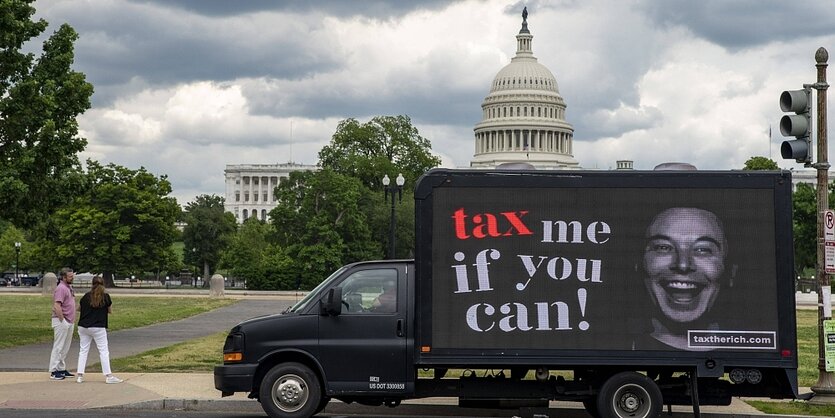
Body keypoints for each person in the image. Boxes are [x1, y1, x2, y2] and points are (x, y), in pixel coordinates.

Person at [638, 207, 727, 350]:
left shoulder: (755, 351)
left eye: (702, 249)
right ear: (639, 264)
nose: (683, 265)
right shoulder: (615, 345)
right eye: (663, 247)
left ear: (730, 271)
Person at [75, 275, 123, 384]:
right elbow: (110, 311)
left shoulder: (86, 296)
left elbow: (78, 309)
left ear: (92, 284)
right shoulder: (105, 297)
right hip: (98, 327)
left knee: (83, 350)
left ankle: (80, 376)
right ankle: (108, 376)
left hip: (83, 326)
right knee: (103, 351)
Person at [49, 267, 76, 380]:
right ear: (64, 277)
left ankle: (61, 368)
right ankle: (54, 370)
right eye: (70, 277)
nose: (72, 278)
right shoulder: (61, 288)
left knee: (65, 347)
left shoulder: (68, 287)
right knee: (59, 346)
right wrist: (62, 320)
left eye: (72, 276)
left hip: (69, 320)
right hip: (61, 320)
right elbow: (57, 305)